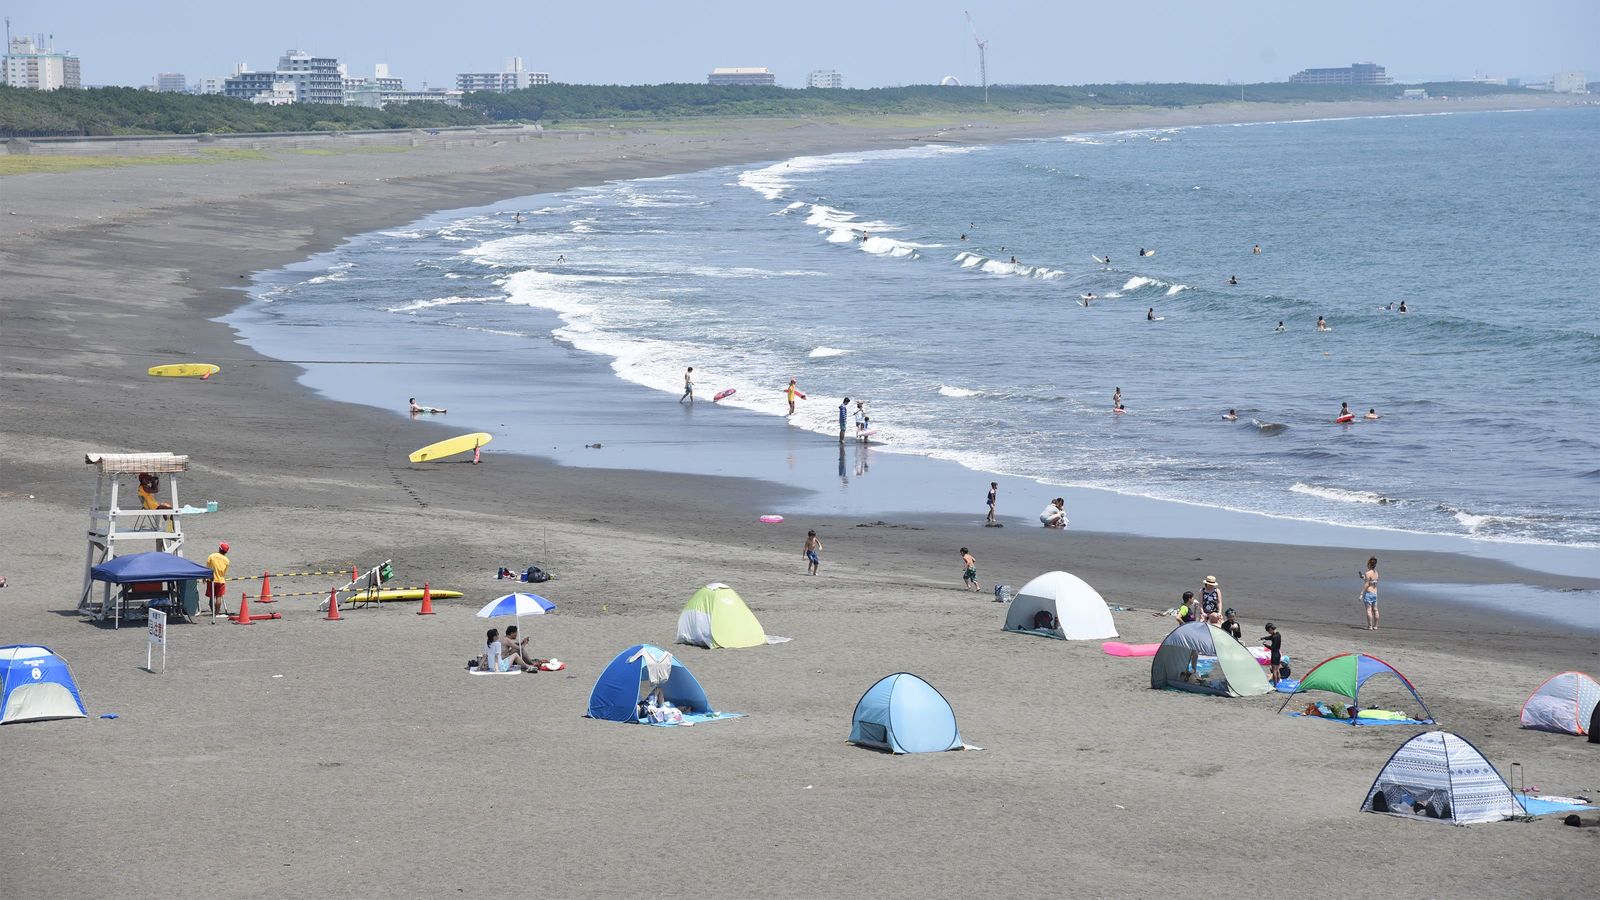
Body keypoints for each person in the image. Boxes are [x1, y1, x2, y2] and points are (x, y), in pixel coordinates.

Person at [205, 542, 231, 617]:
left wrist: (205, 577)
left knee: (211, 598)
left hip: (211, 579)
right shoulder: (226, 560)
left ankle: (213, 612)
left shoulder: (212, 556)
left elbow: (207, 568)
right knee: (218, 597)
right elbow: (224, 572)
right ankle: (216, 614)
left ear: (219, 549)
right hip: (221, 580)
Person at [1360, 556, 1380, 630]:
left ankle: (1370, 626)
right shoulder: (1376, 572)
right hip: (1375, 593)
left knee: (1369, 610)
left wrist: (1361, 593)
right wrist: (1364, 577)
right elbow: (1373, 581)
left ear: (1369, 564)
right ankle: (1375, 626)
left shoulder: (1368, 573)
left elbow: (1367, 584)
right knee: (1375, 609)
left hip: (1368, 593)